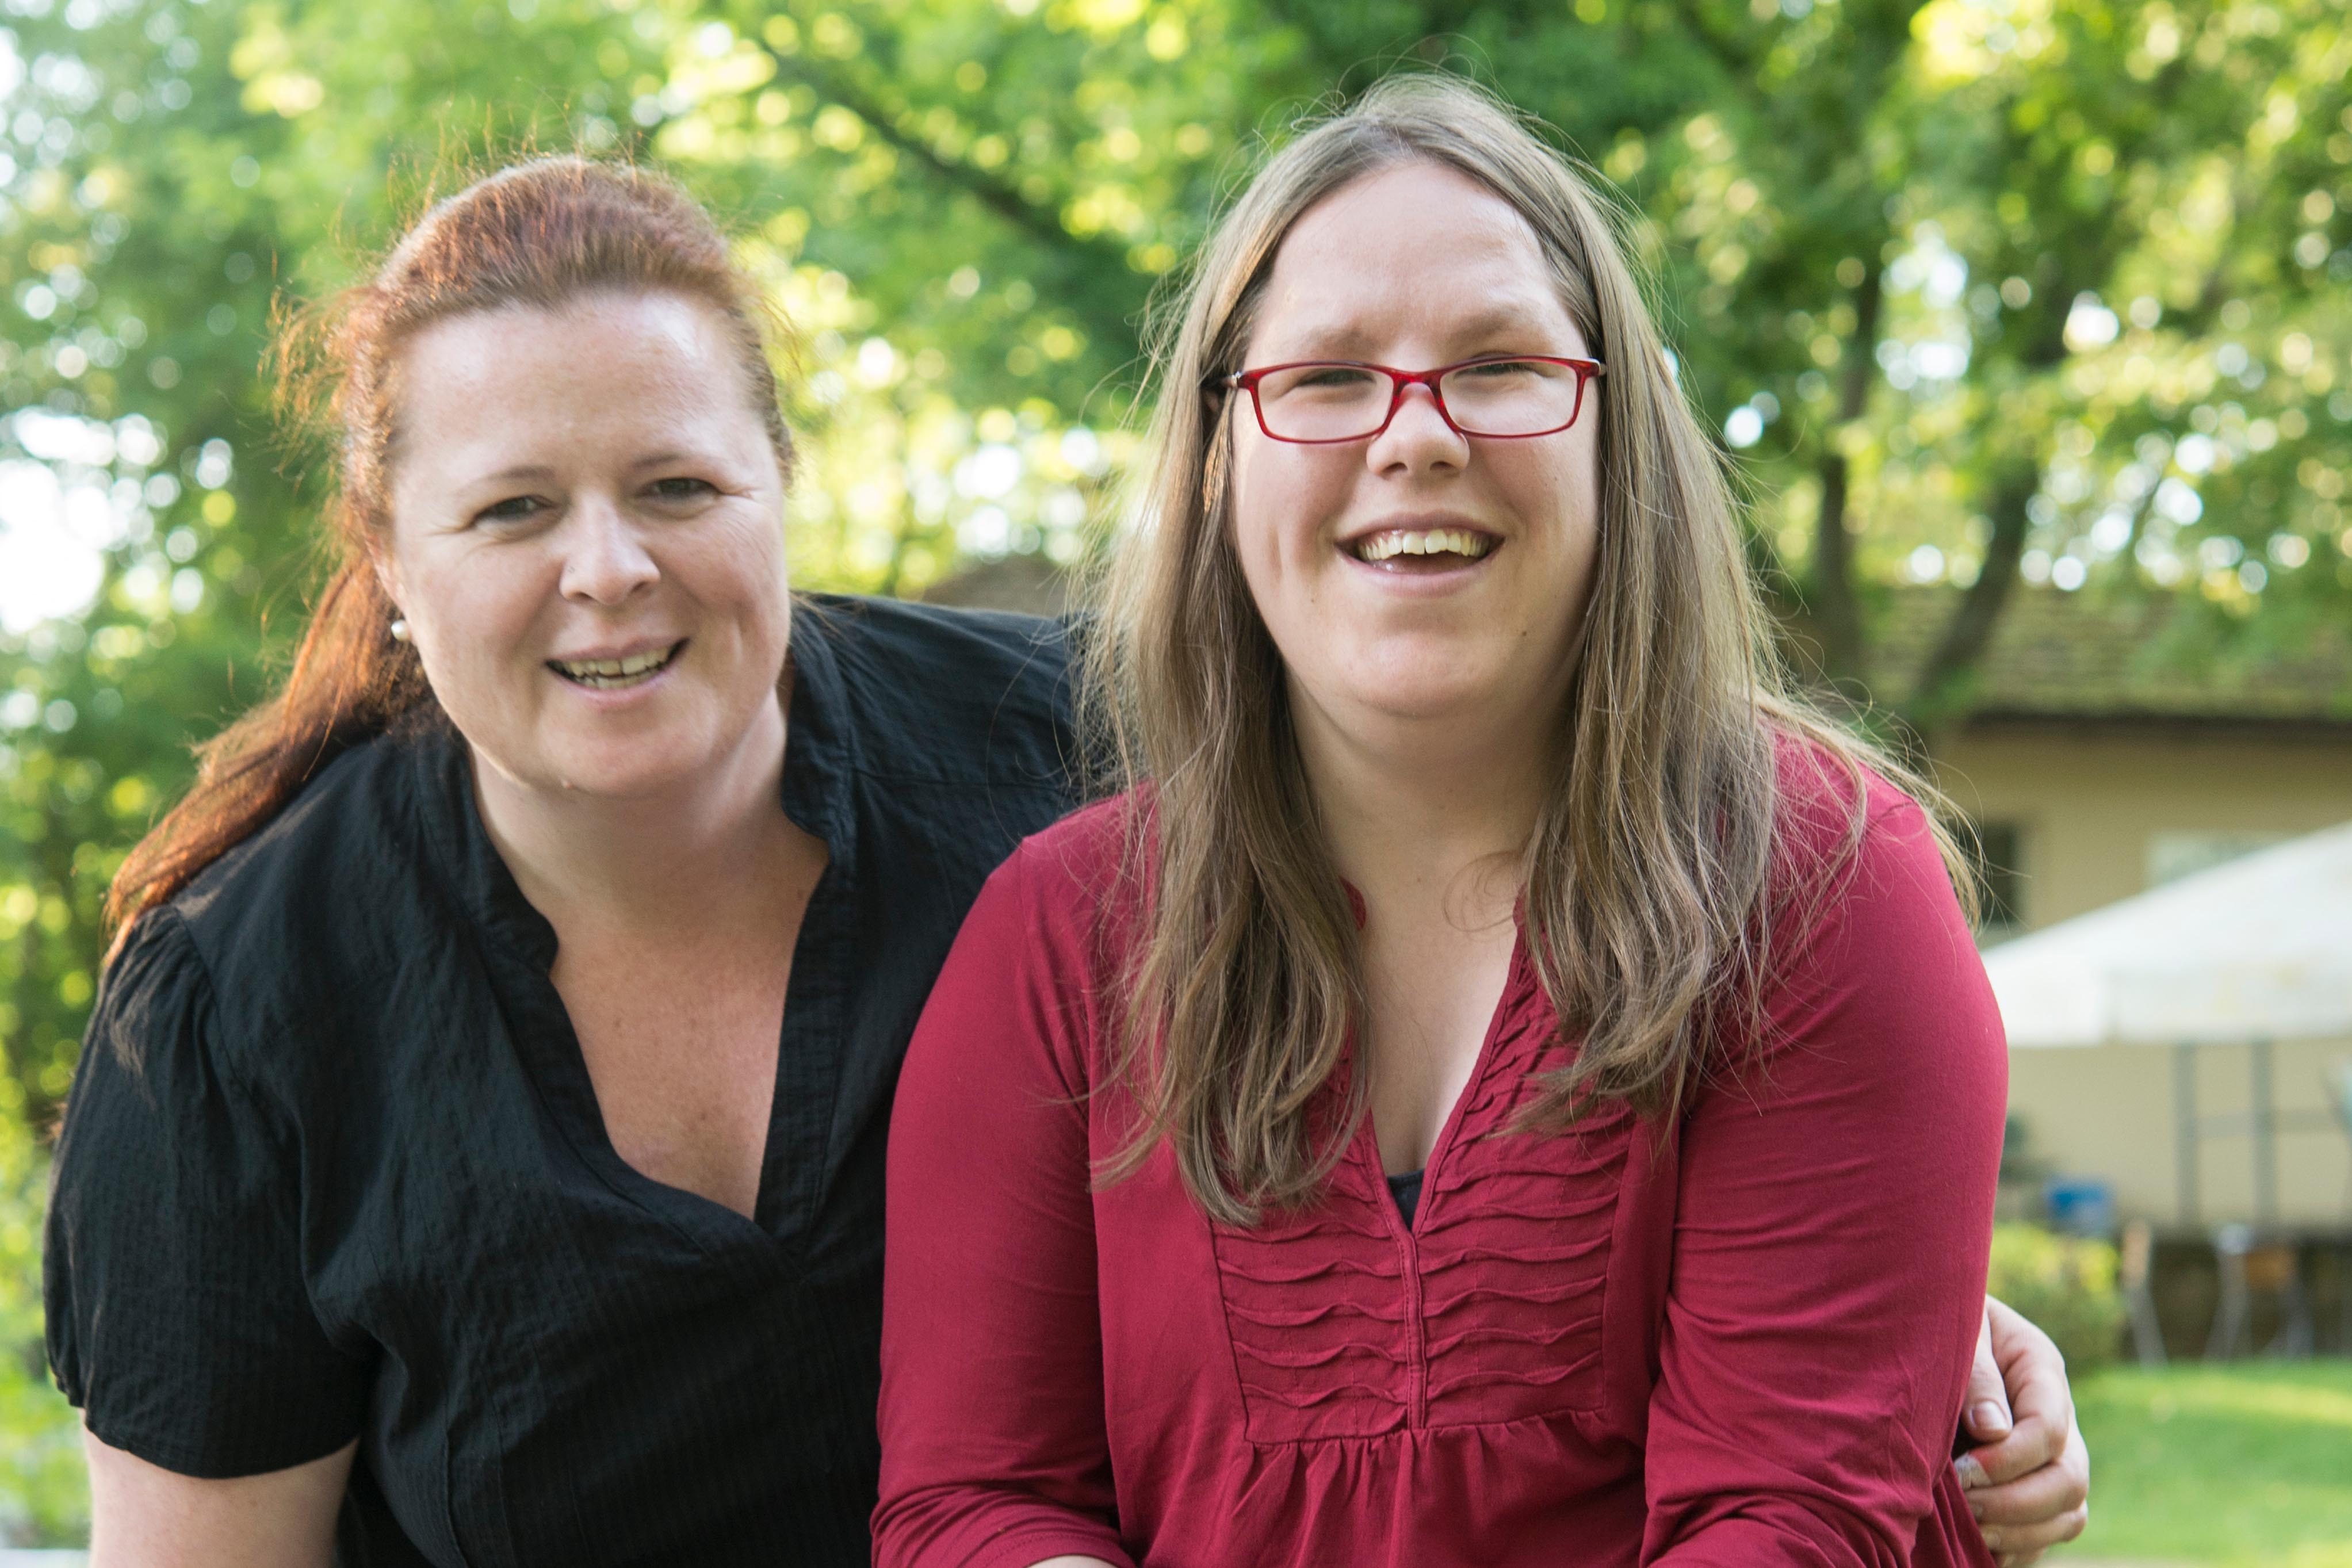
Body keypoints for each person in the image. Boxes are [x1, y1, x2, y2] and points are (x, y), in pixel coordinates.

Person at [40, 154, 2083, 1567]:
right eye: (507, 512)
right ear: (388, 571)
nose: (609, 570)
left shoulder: (1078, 754)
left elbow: (1552, 935)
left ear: (779, 501)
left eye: (678, 483)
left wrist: (1888, 1297)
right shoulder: (237, 1016)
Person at [874, 75, 2071, 1568]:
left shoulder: (1819, 883)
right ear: (1218, 459)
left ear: (1615, 439)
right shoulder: (1060, 933)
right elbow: (977, 1502)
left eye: (1498, 365)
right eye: (1322, 378)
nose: (1414, 436)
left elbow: (1789, 1525)